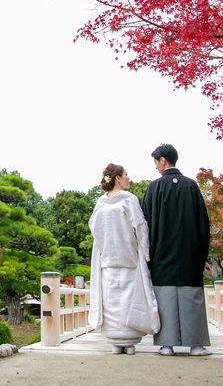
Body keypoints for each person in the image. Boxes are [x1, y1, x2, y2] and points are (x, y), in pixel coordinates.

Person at [141, 143, 211, 356]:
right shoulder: (191, 186)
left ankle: (166, 345)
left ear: (163, 160)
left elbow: (145, 226)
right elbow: (203, 224)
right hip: (190, 254)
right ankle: (196, 345)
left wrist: (147, 257)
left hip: (161, 254)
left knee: (165, 298)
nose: (155, 167)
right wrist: (201, 255)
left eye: (156, 162)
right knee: (192, 297)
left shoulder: (154, 188)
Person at [89, 163, 160, 355]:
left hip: (108, 260)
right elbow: (141, 227)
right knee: (130, 299)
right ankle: (128, 341)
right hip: (129, 258)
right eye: (126, 174)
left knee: (112, 300)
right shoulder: (129, 200)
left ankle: (115, 341)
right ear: (118, 178)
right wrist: (146, 254)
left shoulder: (100, 204)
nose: (129, 177)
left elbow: (94, 229)